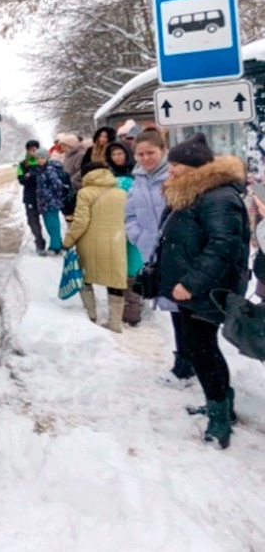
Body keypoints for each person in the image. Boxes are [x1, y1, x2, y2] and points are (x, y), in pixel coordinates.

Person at [157, 133, 249, 448]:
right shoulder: (195, 193)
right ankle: (220, 402)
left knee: (202, 350)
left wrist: (190, 283)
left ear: (196, 168)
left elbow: (223, 247)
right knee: (201, 348)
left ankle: (220, 418)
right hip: (191, 289)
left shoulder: (219, 197)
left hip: (207, 290)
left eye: (175, 168)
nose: (169, 173)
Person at [127, 129, 191, 378]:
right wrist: (139, 237)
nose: (145, 158)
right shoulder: (138, 180)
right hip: (154, 255)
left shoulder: (177, 176)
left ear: (164, 151)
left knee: (186, 311)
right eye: (140, 154)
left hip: (180, 254)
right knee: (175, 311)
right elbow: (130, 215)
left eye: (150, 153)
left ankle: (191, 361)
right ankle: (184, 359)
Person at [63, 161, 128, 332]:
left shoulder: (85, 193)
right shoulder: (121, 193)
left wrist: (68, 240)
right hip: (116, 243)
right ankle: (115, 322)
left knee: (85, 278)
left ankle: (90, 315)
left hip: (90, 242)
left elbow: (81, 222)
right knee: (115, 281)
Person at [105, 141, 143, 326]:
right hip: (113, 229)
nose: (117, 157)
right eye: (114, 155)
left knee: (132, 269)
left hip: (133, 229)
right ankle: (117, 312)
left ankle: (132, 313)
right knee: (115, 270)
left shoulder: (138, 175)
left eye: (120, 153)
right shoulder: (107, 177)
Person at [34, 149, 72, 255]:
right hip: (45, 202)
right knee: (49, 224)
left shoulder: (50, 169)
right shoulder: (41, 169)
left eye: (42, 158)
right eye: (37, 158)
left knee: (52, 224)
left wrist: (51, 196)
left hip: (51, 201)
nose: (40, 160)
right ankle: (57, 243)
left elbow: (57, 185)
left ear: (47, 157)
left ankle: (55, 247)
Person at [17, 139, 47, 255]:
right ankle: (40, 242)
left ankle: (56, 244)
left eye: (35, 150)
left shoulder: (44, 162)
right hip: (30, 197)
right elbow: (21, 180)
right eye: (30, 150)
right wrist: (28, 177)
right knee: (32, 221)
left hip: (44, 197)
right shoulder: (23, 164)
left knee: (50, 220)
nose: (33, 152)